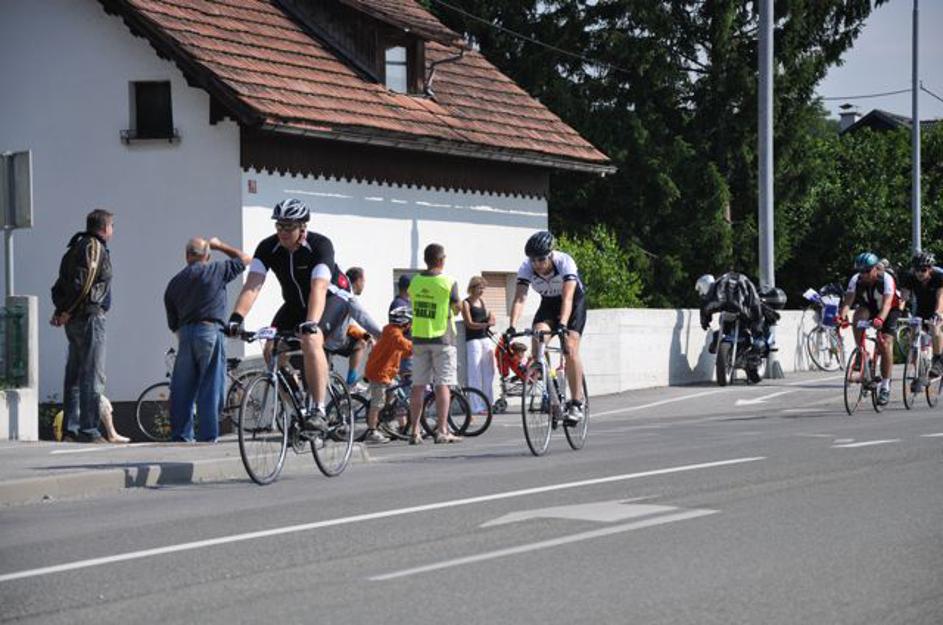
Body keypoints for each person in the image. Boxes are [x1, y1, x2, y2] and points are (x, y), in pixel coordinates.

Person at [227, 198, 350, 432]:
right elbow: (253, 284)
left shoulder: (321, 245)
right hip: (294, 304)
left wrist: (311, 323)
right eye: (279, 225)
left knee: (311, 339)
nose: (283, 231)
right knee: (271, 349)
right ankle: (297, 406)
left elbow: (319, 287)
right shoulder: (268, 247)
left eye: (289, 226)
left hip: (331, 299)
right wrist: (236, 318)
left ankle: (319, 410)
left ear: (302, 227)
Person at [164, 236, 250, 442]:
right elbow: (246, 259)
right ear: (207, 256)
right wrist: (219, 245)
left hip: (185, 334)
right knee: (211, 385)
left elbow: (172, 320)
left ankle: (181, 436)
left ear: (187, 256)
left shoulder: (175, 282)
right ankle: (208, 436)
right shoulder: (217, 270)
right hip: (211, 331)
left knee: (183, 387)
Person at [506, 230, 587, 424]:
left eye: (541, 259)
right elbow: (519, 298)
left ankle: (577, 402)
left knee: (570, 348)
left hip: (572, 304)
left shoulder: (564, 262)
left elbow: (567, 298)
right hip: (549, 305)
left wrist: (563, 324)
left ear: (551, 255)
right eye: (533, 260)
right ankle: (552, 395)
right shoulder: (526, 267)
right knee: (538, 338)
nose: (537, 264)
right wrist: (512, 326)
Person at [50, 209, 114, 443]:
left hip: (75, 319)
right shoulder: (93, 247)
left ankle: (71, 429)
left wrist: (61, 311)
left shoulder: (74, 247)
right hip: (89, 318)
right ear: (104, 228)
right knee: (92, 376)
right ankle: (89, 430)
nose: (113, 231)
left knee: (75, 376)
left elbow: (61, 285)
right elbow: (84, 284)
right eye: (112, 226)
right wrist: (66, 310)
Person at [407, 243, 462, 445]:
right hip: (442, 338)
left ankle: (415, 431)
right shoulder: (448, 281)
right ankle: (442, 431)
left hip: (419, 337)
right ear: (441, 260)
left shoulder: (415, 281)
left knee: (418, 386)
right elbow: (456, 307)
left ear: (425, 260)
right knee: (442, 385)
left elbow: (413, 300)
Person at [838, 251, 901, 405]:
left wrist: (880, 319)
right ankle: (862, 353)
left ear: (875, 268)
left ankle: (885, 386)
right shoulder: (856, 279)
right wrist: (842, 317)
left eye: (867, 271)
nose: (863, 274)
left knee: (885, 344)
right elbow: (848, 301)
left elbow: (887, 304)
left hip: (889, 309)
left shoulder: (886, 278)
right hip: (870, 306)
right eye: (860, 271)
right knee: (858, 316)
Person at [362, 306, 413, 444]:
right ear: (405, 323)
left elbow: (401, 351)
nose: (411, 326)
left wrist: (413, 352)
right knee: (377, 403)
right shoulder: (393, 332)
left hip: (387, 372)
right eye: (410, 323)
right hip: (379, 373)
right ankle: (372, 431)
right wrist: (419, 346)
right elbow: (402, 344)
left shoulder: (393, 331)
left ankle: (386, 421)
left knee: (393, 393)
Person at [899, 251, 943, 381]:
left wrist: (938, 313)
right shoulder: (910, 277)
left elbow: (940, 299)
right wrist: (899, 312)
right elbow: (903, 298)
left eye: (923, 270)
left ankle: (937, 360)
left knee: (935, 328)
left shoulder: (938, 277)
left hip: (938, 307)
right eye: (916, 270)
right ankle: (917, 366)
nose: (919, 273)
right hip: (922, 309)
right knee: (913, 333)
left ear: (930, 269)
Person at [461, 276, 496, 414]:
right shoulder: (466, 303)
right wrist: (485, 324)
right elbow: (469, 323)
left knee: (489, 371)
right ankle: (476, 406)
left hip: (485, 338)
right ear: (473, 288)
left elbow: (489, 316)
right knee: (474, 372)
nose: (482, 291)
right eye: (479, 288)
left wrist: (490, 319)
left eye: (483, 288)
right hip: (473, 340)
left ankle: (488, 403)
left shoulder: (482, 301)